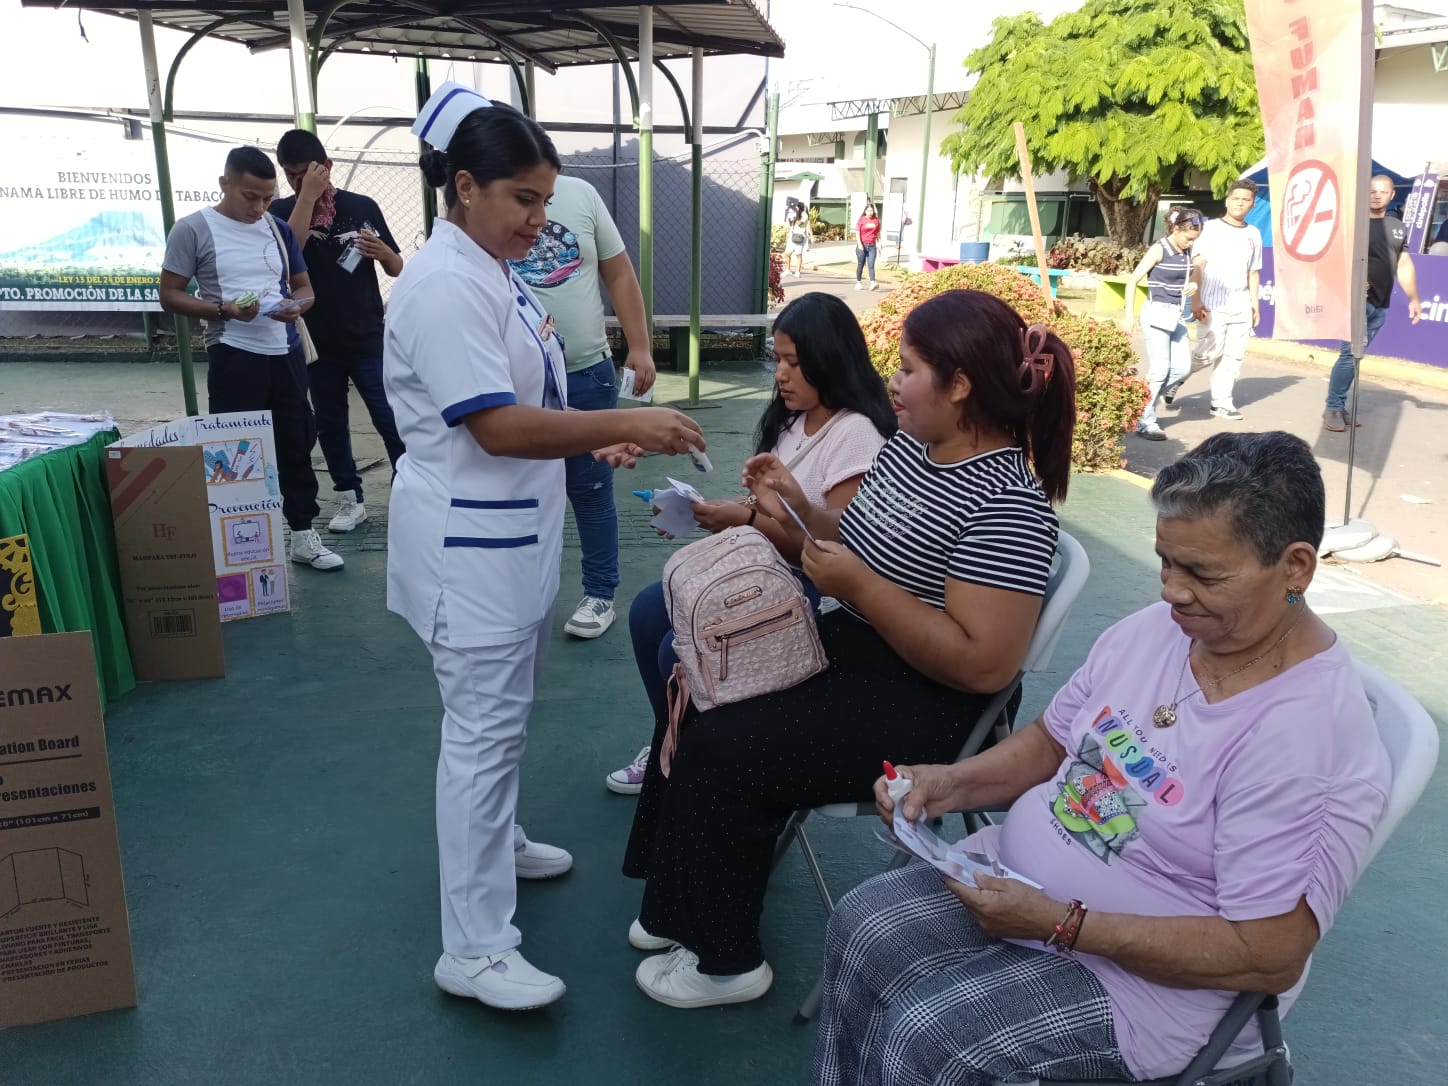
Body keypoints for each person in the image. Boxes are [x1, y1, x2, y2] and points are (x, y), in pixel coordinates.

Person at [813, 430, 1391, 1085]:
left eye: (1202, 573)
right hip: (1029, 895)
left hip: (1149, 989)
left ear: (1296, 568)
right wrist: (949, 783)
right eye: (1166, 562)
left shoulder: (1305, 736)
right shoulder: (1160, 631)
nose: (1172, 592)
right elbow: (1051, 742)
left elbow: (1268, 954)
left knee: (931, 1037)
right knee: (859, 926)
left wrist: (1063, 925)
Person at [621, 289, 1076, 1009]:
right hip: (863, 647)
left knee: (727, 742)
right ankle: (678, 903)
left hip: (929, 704)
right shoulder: (912, 451)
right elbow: (856, 534)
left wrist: (860, 587)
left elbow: (982, 665)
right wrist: (801, 506)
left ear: (960, 386)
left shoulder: (1008, 507)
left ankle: (726, 962)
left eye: (910, 368)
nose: (893, 381)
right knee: (698, 681)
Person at [386, 83, 706, 1011]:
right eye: (523, 199)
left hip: (509, 540)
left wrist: (589, 439)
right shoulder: (446, 286)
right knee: (480, 738)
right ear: (464, 186)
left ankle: (501, 843)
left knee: (504, 721)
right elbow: (492, 425)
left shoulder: (491, 269)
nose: (539, 218)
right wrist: (626, 422)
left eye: (545, 198)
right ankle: (475, 949)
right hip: (469, 552)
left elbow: (530, 400)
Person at [605, 292, 898, 795]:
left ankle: (699, 758)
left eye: (794, 363)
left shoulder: (855, 435)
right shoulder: (795, 418)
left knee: (677, 647)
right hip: (766, 570)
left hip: (812, 594)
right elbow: (766, 511)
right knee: (649, 611)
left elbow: (832, 552)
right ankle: (673, 738)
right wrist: (709, 511)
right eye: (777, 359)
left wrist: (742, 518)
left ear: (830, 359)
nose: (780, 374)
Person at [159, 145, 343, 572]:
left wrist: (296, 307)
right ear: (224, 184)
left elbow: (304, 288)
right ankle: (240, 547)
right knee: (234, 452)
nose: (259, 207)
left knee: (296, 444)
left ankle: (303, 534)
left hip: (286, 352)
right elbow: (169, 294)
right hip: (233, 354)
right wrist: (222, 310)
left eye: (267, 197)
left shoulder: (277, 228)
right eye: (249, 197)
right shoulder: (192, 229)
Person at [510, 173, 656, 640]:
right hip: (516, 379)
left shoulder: (582, 194)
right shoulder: (492, 202)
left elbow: (618, 272)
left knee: (591, 490)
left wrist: (640, 346)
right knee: (520, 491)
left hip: (586, 371)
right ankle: (522, 593)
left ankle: (599, 593)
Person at [271, 129, 407, 533]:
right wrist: (306, 198)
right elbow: (286, 255)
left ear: (326, 166)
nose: (297, 181)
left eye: (305, 173)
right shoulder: (281, 211)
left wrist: (384, 253)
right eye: (290, 174)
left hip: (366, 335)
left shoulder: (361, 206)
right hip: (315, 341)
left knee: (389, 416)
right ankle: (349, 498)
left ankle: (410, 490)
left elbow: (396, 268)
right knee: (329, 423)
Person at [1323, 174, 1422, 432]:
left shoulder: (1397, 226)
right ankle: (1333, 407)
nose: (1377, 195)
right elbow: (1333, 258)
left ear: (1392, 195)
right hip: (1355, 302)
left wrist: (1414, 298)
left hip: (1380, 305)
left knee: (1356, 357)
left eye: (1383, 191)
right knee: (1349, 355)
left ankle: (1338, 404)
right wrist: (1352, 281)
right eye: (1372, 191)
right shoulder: (1352, 224)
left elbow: (1403, 263)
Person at [1178, 179, 1263, 421]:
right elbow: (1197, 266)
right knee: (1208, 353)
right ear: (1227, 201)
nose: (1240, 203)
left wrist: (1254, 304)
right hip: (1212, 302)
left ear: (1252, 204)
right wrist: (1196, 300)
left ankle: (1221, 402)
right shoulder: (1210, 229)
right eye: (1236, 198)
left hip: (1241, 303)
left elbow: (1253, 272)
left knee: (1233, 356)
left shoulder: (1253, 234)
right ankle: (1175, 377)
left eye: (1246, 200)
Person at [1122, 207, 1205, 442]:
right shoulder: (1159, 249)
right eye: (1188, 238)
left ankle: (1140, 404)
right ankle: (1145, 421)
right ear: (1176, 229)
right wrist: (1129, 316)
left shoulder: (1188, 250)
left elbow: (1193, 273)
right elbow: (1132, 281)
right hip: (1156, 313)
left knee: (1181, 368)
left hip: (1175, 315)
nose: (1190, 243)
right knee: (1160, 370)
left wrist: (1193, 285)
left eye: (1194, 239)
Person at [855, 201, 882, 291]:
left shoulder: (876, 220)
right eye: (868, 211)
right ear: (865, 211)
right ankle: (858, 282)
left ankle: (872, 283)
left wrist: (879, 243)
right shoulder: (861, 220)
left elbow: (878, 233)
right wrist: (859, 244)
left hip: (872, 246)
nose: (870, 213)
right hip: (862, 245)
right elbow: (857, 233)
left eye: (871, 211)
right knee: (861, 264)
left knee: (871, 264)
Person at [785, 205, 812, 278]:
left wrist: (795, 218)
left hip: (799, 237)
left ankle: (797, 272)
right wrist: (790, 220)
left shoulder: (804, 215)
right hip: (792, 236)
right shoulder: (795, 214)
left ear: (800, 208)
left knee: (798, 255)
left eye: (797, 208)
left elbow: (799, 223)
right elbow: (792, 224)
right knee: (787, 254)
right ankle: (787, 270)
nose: (795, 209)